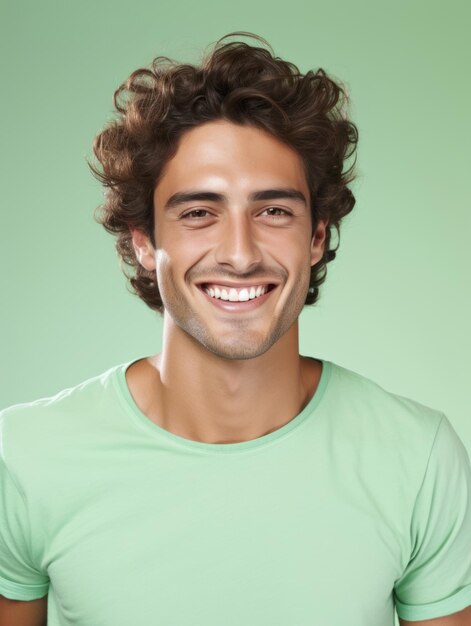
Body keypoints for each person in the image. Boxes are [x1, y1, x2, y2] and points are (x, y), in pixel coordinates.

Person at [1, 32, 470, 626]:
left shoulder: (418, 459)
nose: (241, 253)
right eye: (199, 213)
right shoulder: (24, 461)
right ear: (144, 242)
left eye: (273, 211)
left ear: (317, 236)